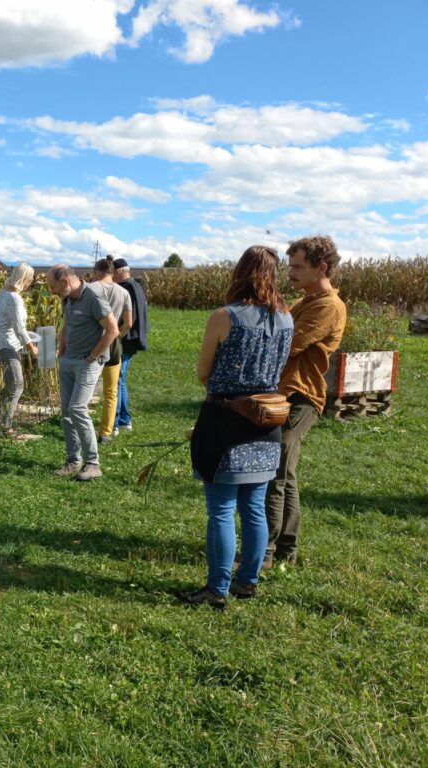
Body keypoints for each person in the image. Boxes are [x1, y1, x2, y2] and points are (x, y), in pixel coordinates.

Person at [178, 246, 294, 610]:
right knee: (254, 508)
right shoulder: (287, 318)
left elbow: (203, 373)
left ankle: (217, 589)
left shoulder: (224, 317)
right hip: (266, 421)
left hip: (225, 421)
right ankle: (247, 581)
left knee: (221, 510)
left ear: (239, 272)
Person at [263, 236, 347, 569]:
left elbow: (288, 343)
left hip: (302, 398)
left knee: (275, 472)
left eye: (298, 266)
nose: (291, 272)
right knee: (286, 473)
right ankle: (285, 549)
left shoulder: (327, 305)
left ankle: (265, 553)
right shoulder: (305, 300)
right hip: (287, 394)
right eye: (290, 265)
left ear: (321, 267)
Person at [46, 265, 118, 481]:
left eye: (53, 286)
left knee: (77, 408)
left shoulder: (93, 297)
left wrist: (93, 356)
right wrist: (62, 350)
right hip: (69, 360)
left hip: (87, 362)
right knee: (67, 413)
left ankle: (93, 464)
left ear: (66, 282)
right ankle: (73, 461)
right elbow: (67, 324)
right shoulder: (67, 298)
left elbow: (113, 329)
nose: (52, 291)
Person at [0, 263, 38, 436]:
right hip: (5, 344)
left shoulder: (4, 292)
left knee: (11, 384)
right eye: (29, 281)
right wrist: (31, 346)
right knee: (17, 384)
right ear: (23, 278)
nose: (29, 284)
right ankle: (5, 427)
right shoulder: (14, 298)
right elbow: (18, 327)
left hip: (3, 342)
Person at [89, 257, 133, 443]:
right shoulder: (124, 292)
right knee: (111, 390)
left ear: (98, 272)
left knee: (86, 387)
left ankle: (80, 427)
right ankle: (105, 432)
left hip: (91, 342)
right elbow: (129, 323)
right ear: (113, 272)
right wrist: (117, 335)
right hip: (113, 345)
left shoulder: (90, 289)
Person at [113, 258, 149, 432]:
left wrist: (116, 337)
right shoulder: (137, 286)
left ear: (119, 272)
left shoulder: (126, 288)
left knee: (117, 380)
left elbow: (129, 320)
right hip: (134, 339)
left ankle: (118, 421)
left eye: (112, 273)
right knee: (121, 380)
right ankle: (125, 419)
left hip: (127, 340)